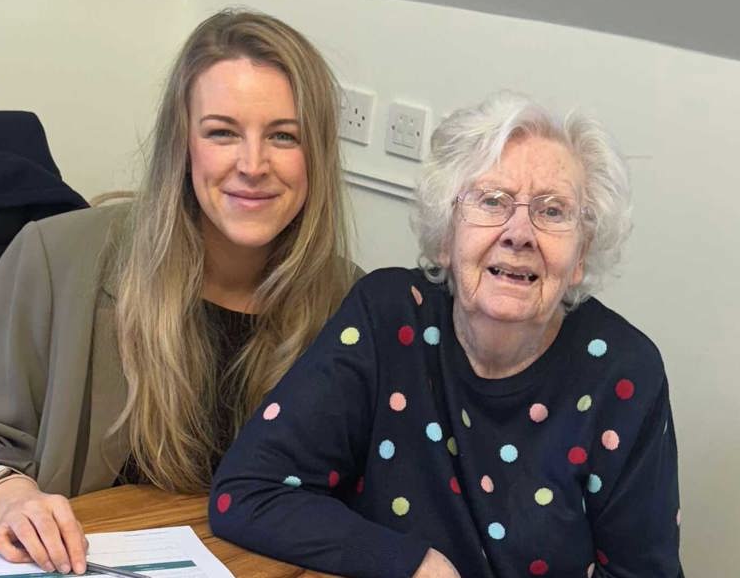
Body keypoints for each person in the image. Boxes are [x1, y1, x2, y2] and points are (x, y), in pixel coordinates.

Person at [0, 9, 358, 575]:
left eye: (284, 136)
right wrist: (7, 492)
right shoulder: (59, 256)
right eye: (222, 133)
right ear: (182, 145)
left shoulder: (348, 299)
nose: (253, 165)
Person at [210, 91, 684, 577]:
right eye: (492, 200)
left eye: (553, 211)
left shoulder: (623, 374)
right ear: (445, 236)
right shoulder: (389, 317)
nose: (519, 233)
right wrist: (414, 564)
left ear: (580, 256)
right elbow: (249, 490)